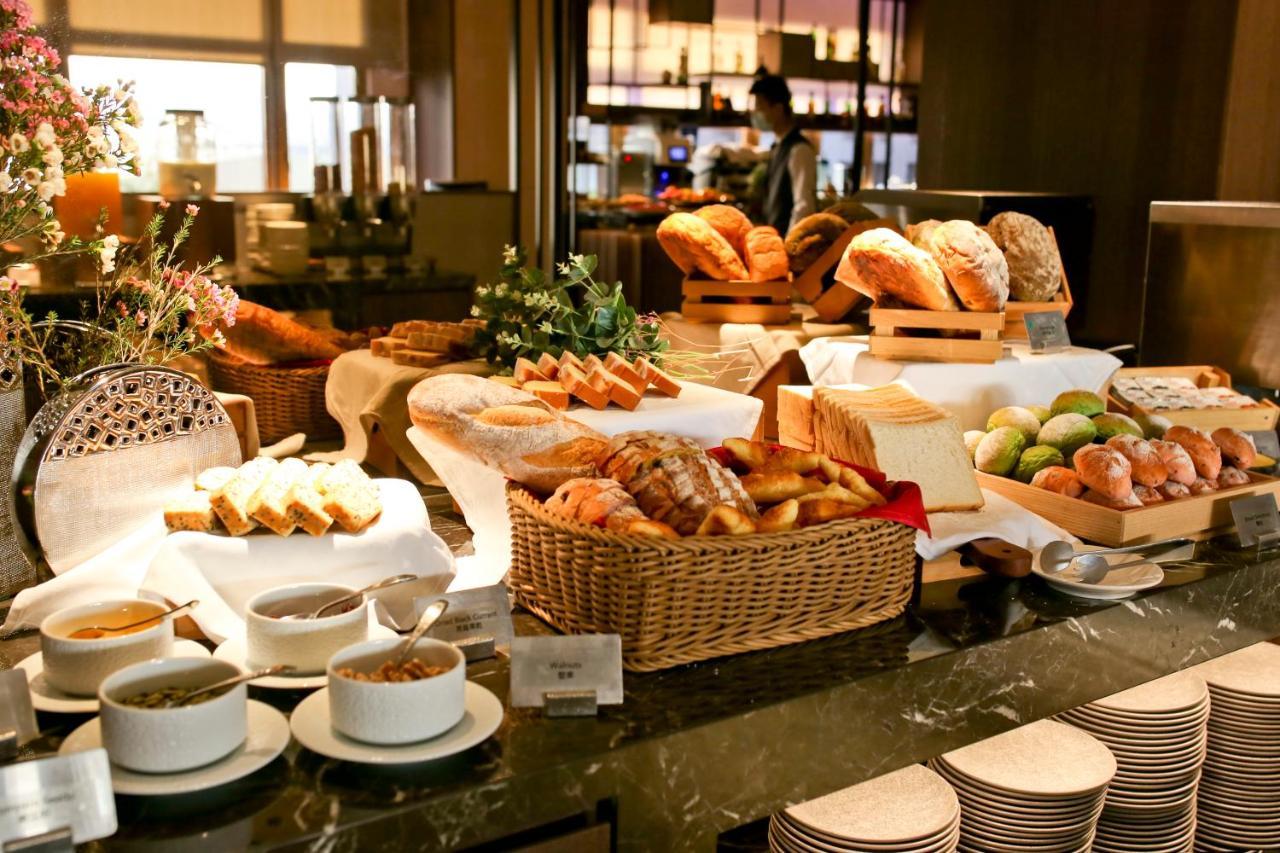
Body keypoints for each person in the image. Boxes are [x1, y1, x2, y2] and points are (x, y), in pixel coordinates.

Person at [749, 74, 817, 234]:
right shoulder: (777, 145)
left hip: (786, 243)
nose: (756, 113)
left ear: (778, 109)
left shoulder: (799, 149)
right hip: (774, 241)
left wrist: (789, 245)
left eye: (760, 107)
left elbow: (804, 206)